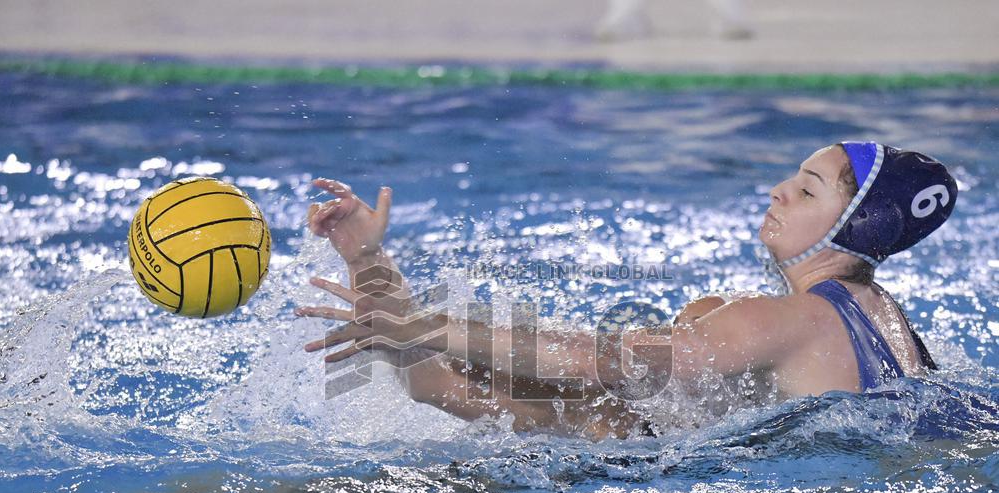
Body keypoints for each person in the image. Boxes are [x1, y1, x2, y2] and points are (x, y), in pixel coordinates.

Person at [295, 142, 957, 440]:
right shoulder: (881, 317)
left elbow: (603, 361)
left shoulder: (788, 321)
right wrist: (366, 256)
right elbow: (440, 385)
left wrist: (424, 327)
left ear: (859, 227)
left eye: (807, 190)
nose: (779, 190)